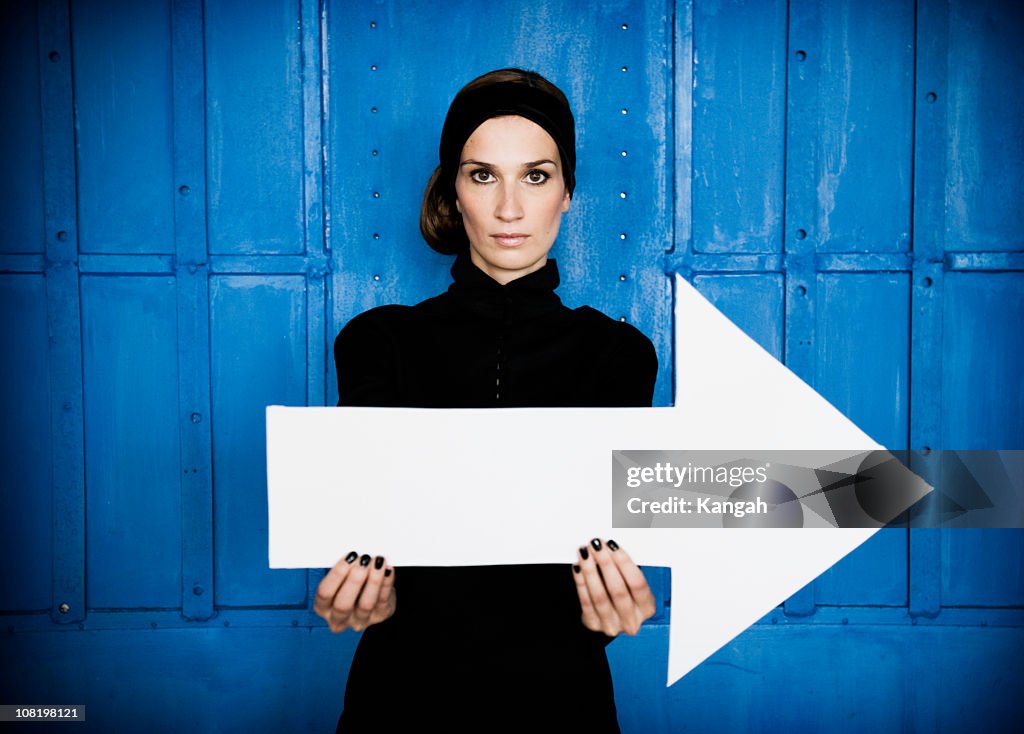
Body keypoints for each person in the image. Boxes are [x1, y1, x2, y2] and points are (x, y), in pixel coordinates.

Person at [315, 68, 658, 733]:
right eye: (482, 175)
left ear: (567, 195)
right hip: (401, 699)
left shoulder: (621, 354)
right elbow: (364, 522)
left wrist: (614, 606)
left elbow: (608, 543)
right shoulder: (377, 341)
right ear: (452, 192)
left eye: (535, 176)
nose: (509, 209)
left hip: (564, 703)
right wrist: (358, 589)